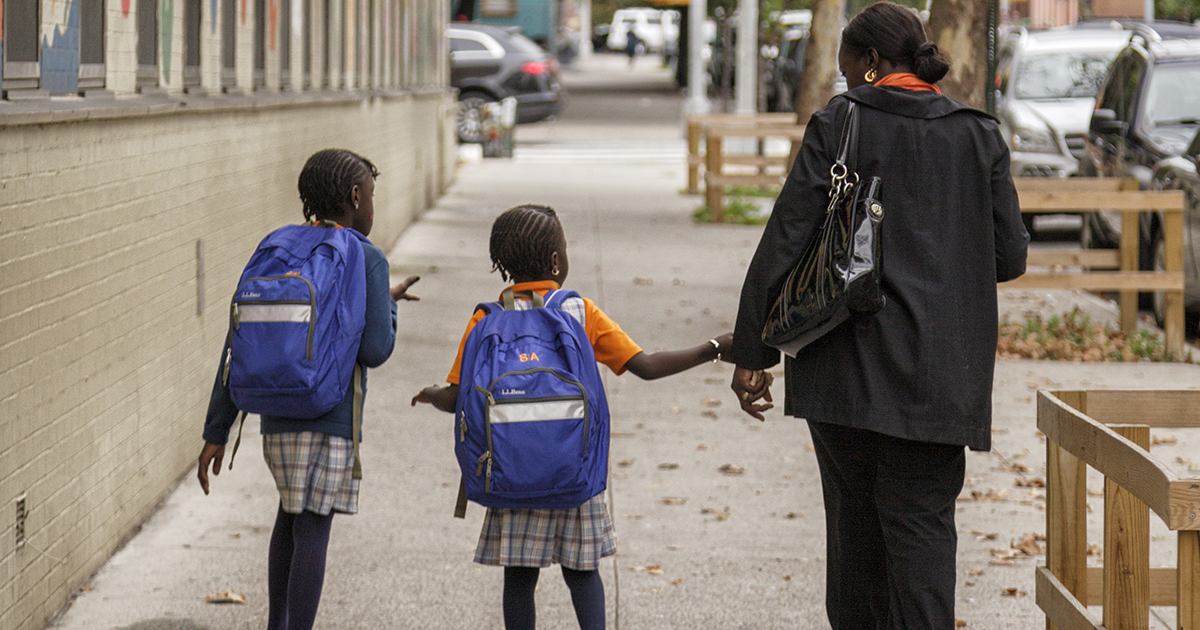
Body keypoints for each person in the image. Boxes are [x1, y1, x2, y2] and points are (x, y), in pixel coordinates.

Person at [727, 3, 1029, 629]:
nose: (843, 82)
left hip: (846, 372)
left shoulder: (842, 123)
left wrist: (753, 354)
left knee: (855, 534)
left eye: (845, 70)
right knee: (923, 539)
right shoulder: (979, 134)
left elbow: (787, 235)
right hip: (943, 379)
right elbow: (1010, 257)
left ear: (869, 62)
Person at [412, 204, 733, 630]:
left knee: (519, 578)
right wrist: (716, 346)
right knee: (583, 573)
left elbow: (456, 398)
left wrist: (431, 393)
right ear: (556, 261)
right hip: (573, 474)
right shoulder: (579, 312)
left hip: (511, 473)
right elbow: (647, 366)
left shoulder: (486, 318)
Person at [197, 149, 421, 630]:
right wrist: (390, 305)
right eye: (372, 196)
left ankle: (278, 623)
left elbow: (236, 342)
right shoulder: (366, 256)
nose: (373, 207)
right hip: (330, 418)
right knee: (315, 523)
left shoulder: (277, 246)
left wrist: (218, 427)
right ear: (356, 197)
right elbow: (376, 349)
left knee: (290, 515)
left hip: (276, 416)